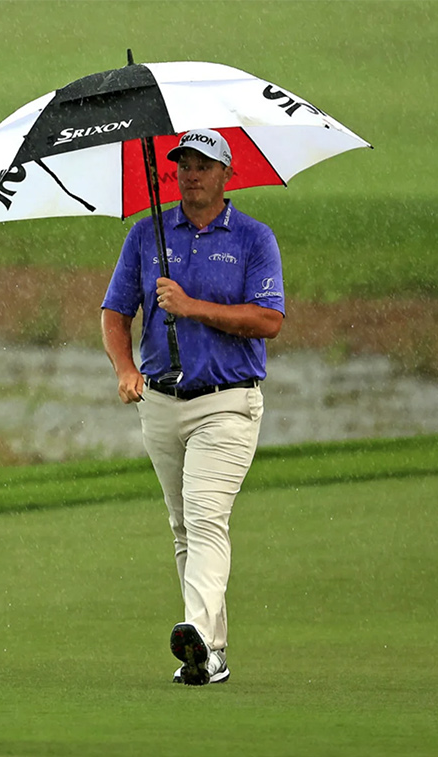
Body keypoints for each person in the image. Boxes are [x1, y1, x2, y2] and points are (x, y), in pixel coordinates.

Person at [99, 129, 285, 686]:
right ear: (171, 172)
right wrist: (125, 370)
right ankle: (211, 654)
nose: (191, 174)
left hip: (227, 403)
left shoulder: (253, 238)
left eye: (204, 165)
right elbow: (115, 314)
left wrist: (192, 306)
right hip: (159, 401)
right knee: (184, 526)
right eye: (183, 165)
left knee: (205, 516)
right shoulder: (146, 234)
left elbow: (268, 321)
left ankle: (195, 631)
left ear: (228, 175)